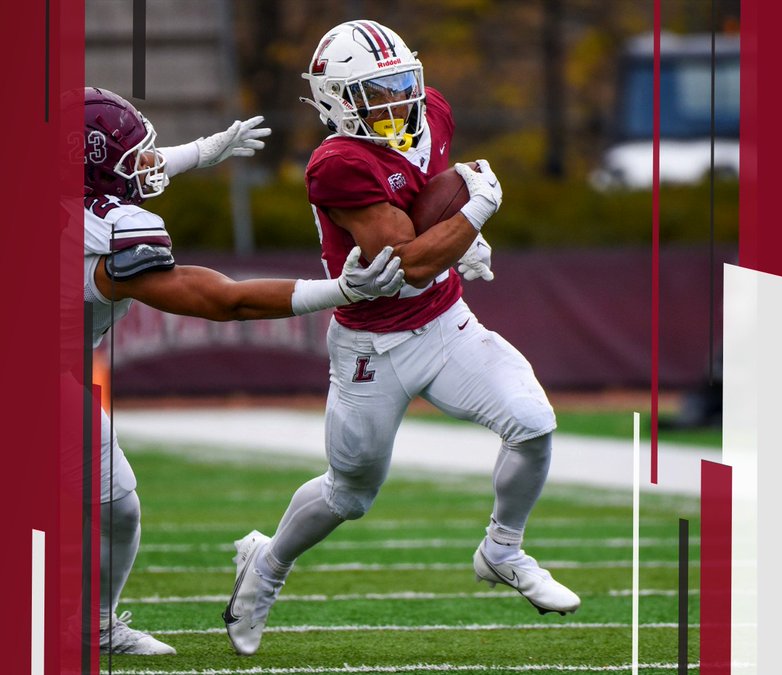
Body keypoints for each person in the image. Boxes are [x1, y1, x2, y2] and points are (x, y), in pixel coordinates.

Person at [223, 19, 580, 656]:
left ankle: (503, 549)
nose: (396, 100)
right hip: (370, 346)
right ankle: (266, 565)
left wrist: (464, 236)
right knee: (350, 493)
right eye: (375, 90)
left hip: (445, 323)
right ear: (335, 100)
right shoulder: (337, 164)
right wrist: (472, 216)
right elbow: (409, 259)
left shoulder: (433, 113)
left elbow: (424, 200)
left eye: (400, 82)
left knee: (532, 421)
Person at [76, 86, 406, 655]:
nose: (148, 168)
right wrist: (341, 289)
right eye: (132, 161)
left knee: (117, 507)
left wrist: (204, 151)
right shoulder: (99, 240)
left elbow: (123, 172)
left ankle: (95, 625)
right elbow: (224, 301)